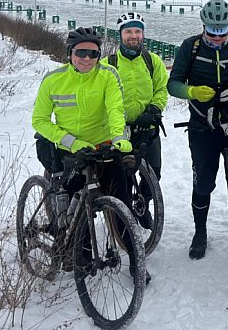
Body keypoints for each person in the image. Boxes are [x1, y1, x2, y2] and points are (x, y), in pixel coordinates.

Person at [32, 27, 143, 280]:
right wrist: (70, 142)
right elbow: (40, 120)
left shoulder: (108, 75)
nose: (87, 59)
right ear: (70, 53)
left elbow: (116, 109)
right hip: (68, 151)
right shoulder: (53, 80)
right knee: (73, 212)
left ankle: (137, 262)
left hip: (103, 147)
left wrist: (119, 139)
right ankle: (78, 258)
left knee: (122, 205)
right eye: (81, 52)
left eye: (93, 53)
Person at [167, 0, 228, 260]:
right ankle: (200, 232)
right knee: (203, 182)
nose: (218, 37)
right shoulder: (191, 47)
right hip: (203, 125)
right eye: (212, 31)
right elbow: (172, 83)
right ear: (204, 26)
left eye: (222, 31)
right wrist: (191, 91)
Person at [104, 12, 168, 185]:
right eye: (128, 32)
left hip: (147, 127)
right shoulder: (108, 64)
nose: (134, 36)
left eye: (138, 32)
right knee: (122, 178)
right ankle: (124, 210)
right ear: (120, 35)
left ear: (143, 34)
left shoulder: (152, 61)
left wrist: (154, 109)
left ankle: (144, 205)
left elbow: (162, 89)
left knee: (154, 176)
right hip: (119, 131)